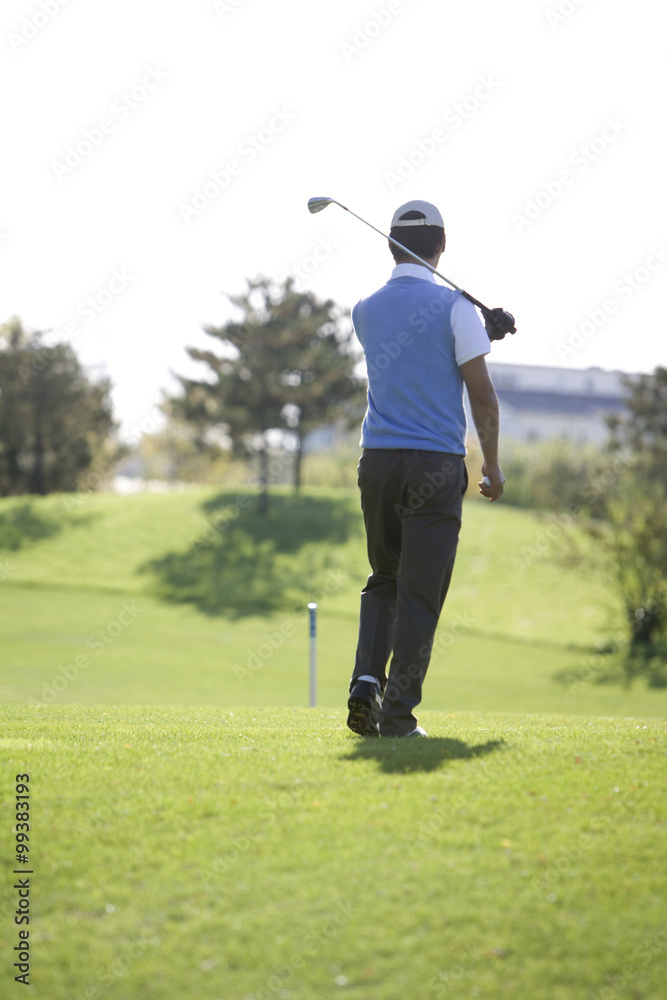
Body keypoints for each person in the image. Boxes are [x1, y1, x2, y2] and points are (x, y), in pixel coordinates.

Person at [347, 199, 506, 738]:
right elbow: (482, 398)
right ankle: (396, 719)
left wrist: (481, 328)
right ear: (442, 246)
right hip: (435, 467)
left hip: (378, 464)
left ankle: (367, 680)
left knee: (384, 579)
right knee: (421, 592)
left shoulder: (364, 308)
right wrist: (493, 466)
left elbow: (414, 345)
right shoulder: (457, 308)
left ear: (390, 245)